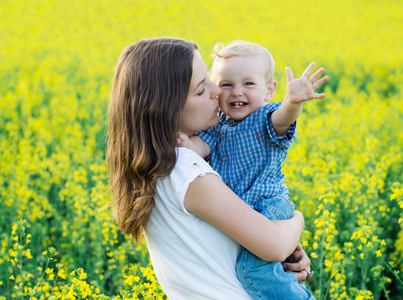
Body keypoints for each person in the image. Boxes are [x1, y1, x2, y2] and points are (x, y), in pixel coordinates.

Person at [106, 37, 312, 299]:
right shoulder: (187, 170)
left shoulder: (158, 164)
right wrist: (296, 221)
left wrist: (286, 259)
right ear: (167, 106)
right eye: (202, 89)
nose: (218, 91)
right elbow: (273, 245)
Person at [179, 41, 327, 299]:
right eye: (227, 84)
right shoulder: (217, 127)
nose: (237, 92)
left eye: (248, 84)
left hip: (268, 206)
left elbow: (282, 120)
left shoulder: (263, 118)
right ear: (216, 89)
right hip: (247, 213)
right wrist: (181, 142)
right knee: (268, 269)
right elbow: (197, 147)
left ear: (269, 91)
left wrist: (292, 102)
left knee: (254, 270)